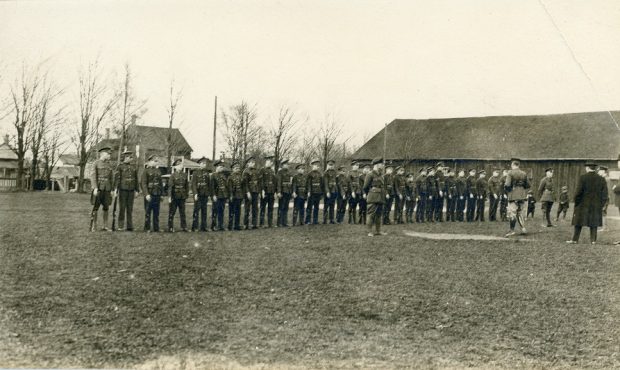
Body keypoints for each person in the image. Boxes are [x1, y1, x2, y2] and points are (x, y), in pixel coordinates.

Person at [567, 163, 608, 245]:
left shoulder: (583, 178)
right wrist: (601, 204)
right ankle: (593, 241)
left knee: (578, 222)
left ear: (588, 168)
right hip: (596, 205)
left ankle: (575, 239)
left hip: (583, 204)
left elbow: (578, 192)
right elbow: (605, 194)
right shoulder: (601, 179)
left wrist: (577, 202)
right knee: (594, 223)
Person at [90, 147, 115, 231]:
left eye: (110, 154)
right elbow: (93, 177)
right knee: (96, 207)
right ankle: (94, 225)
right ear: (103, 154)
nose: (109, 156)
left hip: (107, 189)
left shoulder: (109, 165)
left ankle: (105, 226)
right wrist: (95, 188)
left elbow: (111, 178)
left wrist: (112, 189)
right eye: (108, 154)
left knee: (106, 207)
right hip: (99, 188)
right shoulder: (96, 163)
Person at [114, 150, 139, 231]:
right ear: (125, 157)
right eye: (130, 157)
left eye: (131, 157)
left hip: (131, 190)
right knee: (122, 208)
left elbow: (136, 179)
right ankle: (120, 226)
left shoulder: (133, 167)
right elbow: (117, 179)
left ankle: (129, 226)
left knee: (130, 208)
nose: (131, 159)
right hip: (123, 190)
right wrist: (115, 189)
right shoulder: (120, 166)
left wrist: (137, 190)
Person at [505, 158, 530, 236]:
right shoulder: (524, 173)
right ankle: (523, 228)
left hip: (513, 194)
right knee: (520, 212)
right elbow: (528, 185)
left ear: (512, 165)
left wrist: (508, 191)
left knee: (512, 213)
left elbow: (507, 184)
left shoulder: (510, 173)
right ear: (518, 165)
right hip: (522, 195)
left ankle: (512, 230)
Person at [363, 157, 387, 236]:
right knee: (371, 214)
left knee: (379, 215)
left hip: (380, 197)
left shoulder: (380, 175)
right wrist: (369, 194)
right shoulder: (370, 174)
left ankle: (378, 231)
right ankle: (369, 231)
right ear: (376, 165)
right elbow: (365, 187)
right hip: (373, 197)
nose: (383, 165)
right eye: (381, 164)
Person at [141, 154, 163, 233]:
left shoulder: (158, 171)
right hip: (149, 194)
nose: (156, 162)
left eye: (156, 161)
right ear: (149, 161)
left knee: (156, 212)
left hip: (157, 194)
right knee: (148, 212)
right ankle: (147, 228)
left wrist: (161, 194)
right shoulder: (146, 171)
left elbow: (160, 184)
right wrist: (146, 194)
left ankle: (156, 228)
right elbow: (143, 183)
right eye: (154, 161)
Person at [167, 159, 189, 232]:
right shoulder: (172, 176)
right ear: (175, 167)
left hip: (182, 196)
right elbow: (170, 187)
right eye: (178, 165)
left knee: (182, 212)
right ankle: (170, 227)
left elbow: (187, 186)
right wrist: (170, 197)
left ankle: (184, 227)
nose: (180, 166)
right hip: (174, 196)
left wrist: (186, 195)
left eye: (181, 165)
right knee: (172, 212)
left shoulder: (185, 175)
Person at [191, 157, 211, 232]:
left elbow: (208, 184)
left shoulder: (207, 173)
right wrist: (195, 193)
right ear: (199, 164)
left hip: (205, 194)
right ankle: (195, 226)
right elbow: (193, 184)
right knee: (196, 211)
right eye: (202, 163)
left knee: (204, 211)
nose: (204, 165)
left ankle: (204, 226)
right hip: (198, 194)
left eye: (205, 163)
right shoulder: (195, 173)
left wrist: (208, 193)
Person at [259, 155, 278, 228]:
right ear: (266, 162)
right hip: (265, 192)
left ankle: (270, 223)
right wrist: (262, 191)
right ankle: (261, 223)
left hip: (271, 192)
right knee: (263, 207)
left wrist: (275, 192)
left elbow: (274, 182)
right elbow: (261, 181)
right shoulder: (262, 170)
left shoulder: (272, 171)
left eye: (271, 162)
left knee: (271, 208)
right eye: (268, 161)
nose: (270, 163)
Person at [242, 156, 260, 230]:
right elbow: (245, 184)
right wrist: (247, 192)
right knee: (247, 208)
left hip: (255, 191)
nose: (253, 164)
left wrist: (258, 191)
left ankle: (254, 224)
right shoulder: (245, 171)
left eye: (254, 162)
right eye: (251, 162)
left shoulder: (256, 171)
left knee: (255, 208)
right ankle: (245, 224)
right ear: (248, 163)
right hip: (249, 192)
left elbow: (258, 182)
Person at [211, 160, 229, 231]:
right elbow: (212, 187)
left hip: (223, 195)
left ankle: (220, 225)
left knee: (221, 210)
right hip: (217, 195)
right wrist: (213, 195)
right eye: (220, 167)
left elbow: (225, 186)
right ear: (217, 167)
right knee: (215, 210)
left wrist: (226, 195)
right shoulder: (213, 175)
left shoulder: (223, 175)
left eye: (222, 167)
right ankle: (214, 226)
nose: (222, 168)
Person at [276, 159, 293, 227]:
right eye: (286, 164)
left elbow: (291, 183)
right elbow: (279, 183)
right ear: (282, 165)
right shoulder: (280, 172)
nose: (287, 165)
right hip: (282, 191)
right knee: (281, 207)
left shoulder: (289, 172)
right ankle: (279, 222)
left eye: (288, 164)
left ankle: (284, 222)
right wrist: (279, 192)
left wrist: (291, 192)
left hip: (288, 192)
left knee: (286, 207)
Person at [305, 159, 323, 225]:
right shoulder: (309, 174)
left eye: (317, 165)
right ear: (312, 166)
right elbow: (308, 184)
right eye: (315, 165)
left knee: (316, 207)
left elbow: (321, 184)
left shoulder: (320, 174)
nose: (316, 167)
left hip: (318, 192)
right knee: (309, 207)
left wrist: (321, 193)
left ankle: (315, 220)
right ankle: (307, 220)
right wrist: (309, 191)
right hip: (312, 193)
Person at [227, 161, 244, 231]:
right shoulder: (230, 177)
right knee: (231, 211)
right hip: (233, 196)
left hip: (239, 196)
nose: (238, 169)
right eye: (236, 168)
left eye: (238, 168)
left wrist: (242, 195)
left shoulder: (240, 177)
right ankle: (230, 226)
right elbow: (229, 187)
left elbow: (242, 186)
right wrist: (230, 196)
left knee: (238, 211)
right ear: (233, 169)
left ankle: (237, 225)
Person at [322, 159, 338, 224]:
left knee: (332, 205)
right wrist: (327, 192)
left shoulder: (334, 172)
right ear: (327, 165)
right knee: (326, 206)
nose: (331, 166)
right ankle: (324, 220)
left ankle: (331, 219)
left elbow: (335, 182)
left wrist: (336, 190)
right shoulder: (325, 173)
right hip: (328, 191)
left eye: (332, 165)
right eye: (330, 165)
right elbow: (325, 184)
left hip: (333, 191)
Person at [598, 166, 611, 232]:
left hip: (605, 198)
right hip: (603, 197)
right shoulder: (604, 178)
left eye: (599, 170)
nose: (598, 172)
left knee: (603, 212)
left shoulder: (606, 179)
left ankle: (604, 228)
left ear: (603, 171)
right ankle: (604, 227)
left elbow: (607, 190)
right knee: (602, 212)